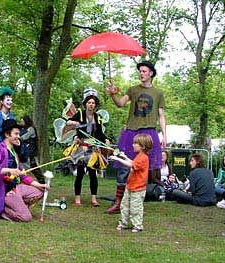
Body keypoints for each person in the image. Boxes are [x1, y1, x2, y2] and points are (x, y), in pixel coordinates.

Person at [105, 61, 166, 214]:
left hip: (148, 133)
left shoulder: (158, 93)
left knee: (142, 169)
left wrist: (164, 135)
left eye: (144, 71)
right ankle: (118, 203)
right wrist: (113, 94)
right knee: (124, 169)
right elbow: (120, 104)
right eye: (140, 71)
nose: (141, 73)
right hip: (131, 132)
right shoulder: (132, 90)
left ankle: (136, 205)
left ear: (151, 73)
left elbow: (161, 115)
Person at [0, 119, 49, 222]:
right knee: (26, 218)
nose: (18, 136)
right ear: (7, 134)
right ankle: (3, 210)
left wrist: (39, 185)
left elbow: (23, 175)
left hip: (16, 187)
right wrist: (10, 170)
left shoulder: (14, 152)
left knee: (40, 191)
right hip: (4, 191)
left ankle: (17, 205)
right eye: (16, 133)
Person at [66, 87, 110, 207]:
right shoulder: (79, 114)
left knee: (92, 173)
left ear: (95, 105)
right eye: (89, 102)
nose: (91, 105)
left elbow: (100, 134)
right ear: (86, 104)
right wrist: (74, 123)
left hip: (93, 148)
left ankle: (94, 199)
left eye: (93, 103)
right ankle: (77, 199)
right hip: (81, 147)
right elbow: (68, 122)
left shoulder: (97, 117)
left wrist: (105, 140)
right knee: (80, 173)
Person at [110, 134, 153, 233]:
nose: (133, 145)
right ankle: (123, 223)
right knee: (124, 205)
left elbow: (131, 165)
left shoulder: (143, 158)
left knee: (135, 208)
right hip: (130, 186)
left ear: (142, 146)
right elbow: (133, 162)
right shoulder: (139, 156)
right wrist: (124, 157)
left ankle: (137, 225)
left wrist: (118, 159)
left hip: (138, 189)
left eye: (135, 143)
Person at [20, 115, 45, 184]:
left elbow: (23, 137)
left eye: (22, 121)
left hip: (31, 152)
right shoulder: (22, 129)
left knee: (34, 168)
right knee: (24, 167)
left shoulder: (31, 129)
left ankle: (42, 182)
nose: (21, 123)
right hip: (25, 152)